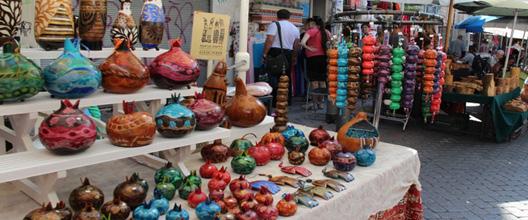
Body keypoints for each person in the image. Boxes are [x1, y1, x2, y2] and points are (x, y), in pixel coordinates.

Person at [263, 9, 300, 106]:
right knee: (286, 77)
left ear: (277, 16)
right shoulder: (295, 28)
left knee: (273, 76)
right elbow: (296, 45)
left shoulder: (274, 25)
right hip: (288, 53)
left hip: (275, 52)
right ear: (289, 17)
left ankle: (274, 101)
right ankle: (286, 100)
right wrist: (294, 57)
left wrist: (265, 53)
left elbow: (269, 40)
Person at [300, 16, 330, 109]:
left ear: (313, 23)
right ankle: (321, 103)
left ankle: (314, 103)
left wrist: (310, 48)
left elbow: (302, 43)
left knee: (314, 81)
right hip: (324, 58)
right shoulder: (326, 32)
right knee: (322, 81)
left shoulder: (311, 31)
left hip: (313, 59)